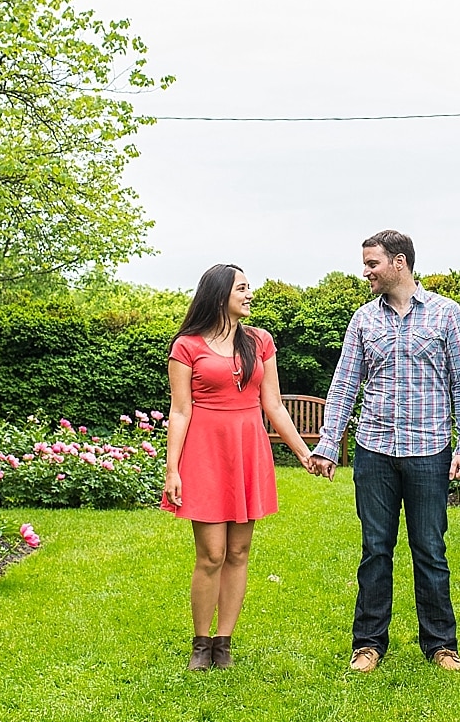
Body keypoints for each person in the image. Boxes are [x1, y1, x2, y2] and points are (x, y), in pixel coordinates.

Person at [308, 230, 460, 673]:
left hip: (429, 450)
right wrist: (328, 445)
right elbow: (345, 383)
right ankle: (367, 645)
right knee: (375, 549)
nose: (365, 272)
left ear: (399, 262)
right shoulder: (364, 320)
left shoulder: (447, 315)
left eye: (372, 264)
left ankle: (442, 646)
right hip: (375, 451)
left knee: (429, 550)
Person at [162, 263, 317, 671]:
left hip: (247, 451)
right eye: (242, 289)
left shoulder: (260, 342)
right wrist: (172, 469)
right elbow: (180, 411)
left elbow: (274, 405)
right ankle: (200, 642)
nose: (250, 295)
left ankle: (223, 642)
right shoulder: (187, 346)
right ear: (219, 295)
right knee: (211, 553)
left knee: (239, 550)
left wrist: (304, 452)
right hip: (205, 453)